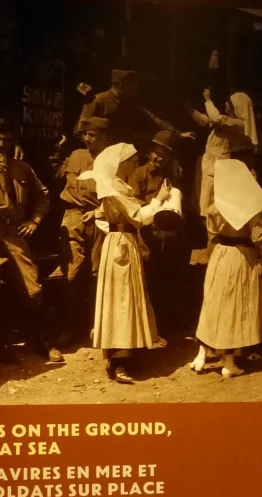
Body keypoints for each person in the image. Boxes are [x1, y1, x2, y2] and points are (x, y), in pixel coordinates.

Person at [0, 118, 63, 363]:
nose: (1, 144)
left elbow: (43, 196)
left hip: (14, 233)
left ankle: (43, 341)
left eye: (6, 140)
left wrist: (34, 221)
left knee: (31, 287)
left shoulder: (23, 168)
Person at [85, 142, 161, 383]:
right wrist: (160, 200)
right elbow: (140, 218)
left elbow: (100, 215)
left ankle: (124, 353)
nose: (135, 164)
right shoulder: (114, 188)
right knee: (121, 300)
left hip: (120, 241)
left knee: (123, 298)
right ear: (120, 164)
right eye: (132, 160)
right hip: (121, 244)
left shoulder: (117, 187)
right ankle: (119, 361)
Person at [191, 159, 262, 378]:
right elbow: (257, 237)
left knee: (213, 303)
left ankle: (201, 355)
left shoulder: (215, 207)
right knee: (234, 307)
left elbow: (211, 234)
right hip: (240, 256)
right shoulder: (248, 206)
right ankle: (229, 361)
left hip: (220, 254)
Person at [53, 116, 113, 347]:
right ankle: (70, 328)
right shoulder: (76, 155)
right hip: (73, 217)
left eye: (93, 135)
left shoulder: (113, 160)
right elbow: (58, 176)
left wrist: (100, 211)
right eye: (85, 135)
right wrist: (57, 149)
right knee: (71, 274)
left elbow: (120, 193)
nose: (88, 139)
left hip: (100, 217)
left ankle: (95, 326)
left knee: (98, 275)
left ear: (105, 137)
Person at [129, 130, 189, 335]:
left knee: (168, 281)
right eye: (157, 153)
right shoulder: (139, 175)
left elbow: (179, 204)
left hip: (169, 237)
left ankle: (166, 328)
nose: (160, 158)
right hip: (147, 237)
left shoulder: (172, 175)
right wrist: (158, 201)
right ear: (149, 153)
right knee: (148, 280)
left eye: (165, 154)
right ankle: (149, 330)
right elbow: (134, 207)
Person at [76, 68, 195, 147]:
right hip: (98, 155)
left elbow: (154, 119)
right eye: (132, 85)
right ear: (122, 86)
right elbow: (81, 130)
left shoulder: (129, 104)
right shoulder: (98, 101)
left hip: (121, 154)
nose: (135, 89)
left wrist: (179, 134)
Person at [188, 90, 257, 222]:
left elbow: (215, 118)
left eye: (229, 103)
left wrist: (208, 100)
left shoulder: (237, 123)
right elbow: (208, 122)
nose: (225, 104)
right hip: (210, 162)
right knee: (203, 197)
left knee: (211, 199)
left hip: (218, 164)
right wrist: (192, 112)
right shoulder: (227, 121)